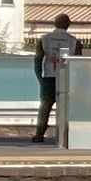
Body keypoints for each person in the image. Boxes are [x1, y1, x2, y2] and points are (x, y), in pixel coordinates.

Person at [31, 12, 79, 142]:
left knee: (45, 106)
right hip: (67, 78)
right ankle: (67, 134)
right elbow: (80, 63)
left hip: (49, 76)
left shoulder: (45, 39)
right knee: (66, 107)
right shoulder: (74, 41)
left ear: (54, 23)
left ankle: (39, 134)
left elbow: (38, 60)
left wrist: (39, 77)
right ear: (68, 25)